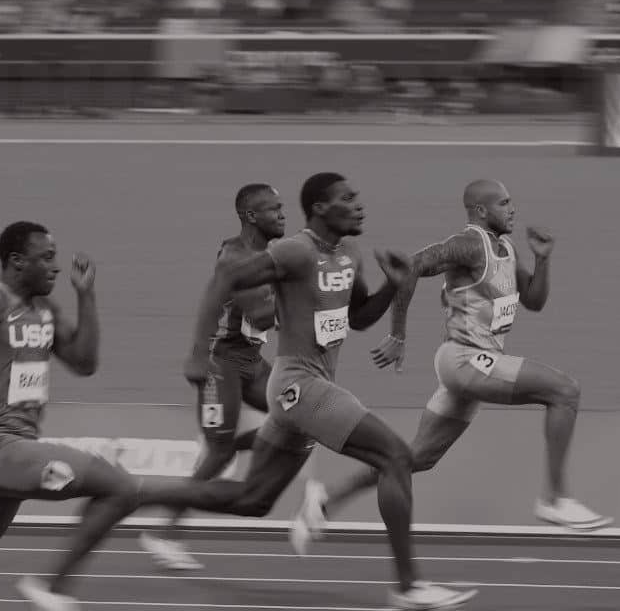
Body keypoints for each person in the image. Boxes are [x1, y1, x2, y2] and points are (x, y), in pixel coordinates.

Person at [0, 221, 244, 611]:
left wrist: (86, 296)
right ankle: (50, 585)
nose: (56, 267)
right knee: (120, 488)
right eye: (46, 258)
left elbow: (84, 362)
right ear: (16, 261)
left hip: (16, 450)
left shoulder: (44, 311)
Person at [180, 172, 477, 610]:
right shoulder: (294, 250)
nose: (359, 205)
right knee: (395, 455)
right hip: (297, 383)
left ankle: (142, 493)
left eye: (358, 197)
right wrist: (197, 354)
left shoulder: (350, 253)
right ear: (321, 208)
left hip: (309, 384)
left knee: (253, 500)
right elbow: (225, 275)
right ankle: (408, 586)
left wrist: (391, 286)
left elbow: (357, 318)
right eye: (348, 198)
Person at [290, 179, 612, 555]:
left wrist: (542, 258)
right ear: (480, 210)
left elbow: (534, 301)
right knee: (564, 390)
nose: (512, 209)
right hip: (462, 360)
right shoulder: (468, 244)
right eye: (504, 203)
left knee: (415, 458)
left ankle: (325, 500)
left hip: (474, 367)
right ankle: (555, 498)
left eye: (512, 202)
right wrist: (398, 335)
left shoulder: (504, 247)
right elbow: (411, 267)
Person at [139, 183, 288, 570]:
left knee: (296, 415)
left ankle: (229, 445)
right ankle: (162, 533)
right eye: (274, 209)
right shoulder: (234, 257)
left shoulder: (268, 254)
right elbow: (261, 314)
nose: (283, 215)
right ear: (251, 216)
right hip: (221, 364)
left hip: (252, 361)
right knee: (219, 453)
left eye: (283, 208)